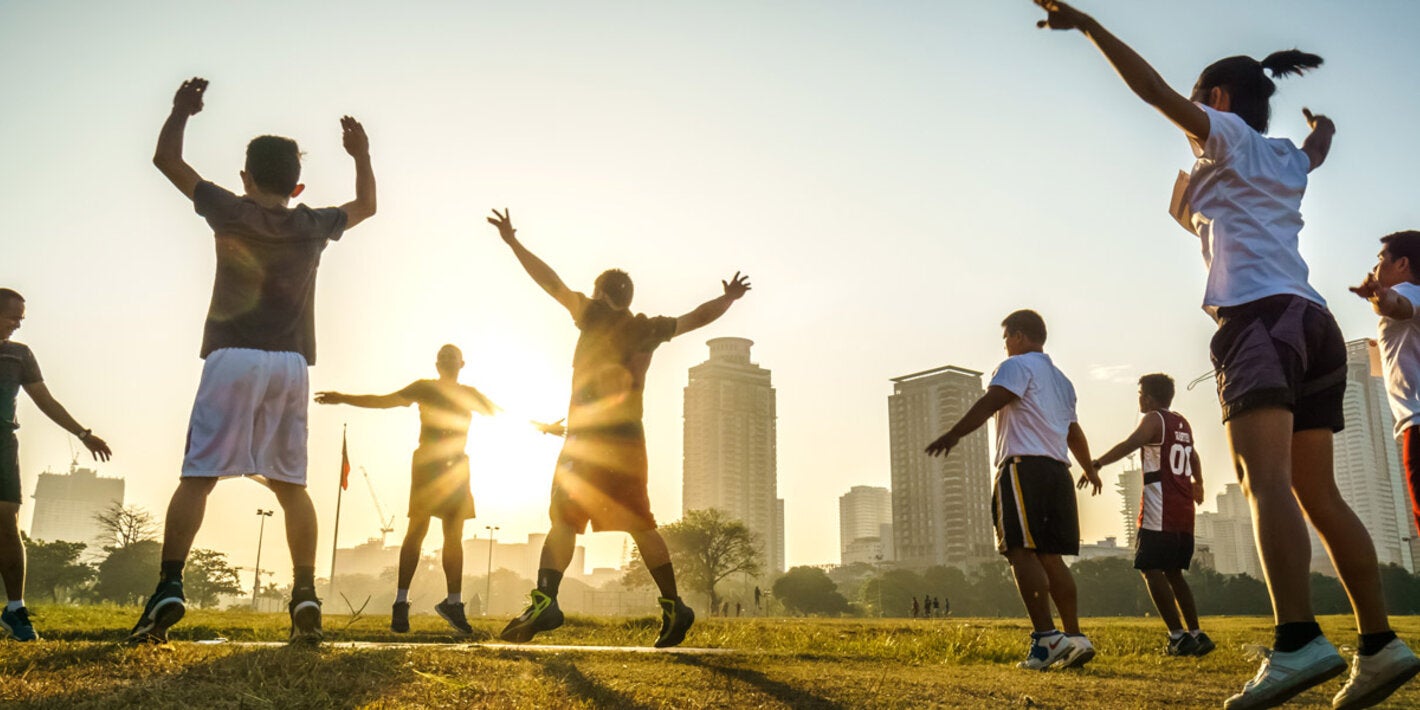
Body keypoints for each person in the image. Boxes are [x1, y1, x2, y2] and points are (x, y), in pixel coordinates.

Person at [1032, 3, 1415, 707]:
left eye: (1198, 105)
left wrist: (1088, 27)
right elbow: (1319, 150)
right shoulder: (1288, 159)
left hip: (1258, 323)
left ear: (1216, 99)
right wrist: (1323, 128)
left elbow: (1150, 92)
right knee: (1318, 493)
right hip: (1314, 322)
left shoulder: (1228, 134)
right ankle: (1381, 643)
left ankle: (1298, 642)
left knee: (1267, 484)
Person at [127, 77, 376, 646]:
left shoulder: (229, 209)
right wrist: (362, 156)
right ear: (299, 184)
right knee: (291, 485)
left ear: (246, 178)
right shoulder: (313, 223)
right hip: (290, 365)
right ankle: (305, 593)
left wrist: (180, 110)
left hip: (231, 358)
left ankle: (169, 585)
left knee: (198, 477)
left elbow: (167, 158)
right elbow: (367, 206)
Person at [485, 208, 749, 648]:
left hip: (585, 442)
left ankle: (546, 600)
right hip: (626, 440)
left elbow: (550, 283)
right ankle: (674, 606)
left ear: (603, 295)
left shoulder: (593, 315)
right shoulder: (647, 328)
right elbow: (697, 317)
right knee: (642, 525)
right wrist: (730, 299)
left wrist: (514, 244)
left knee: (562, 521)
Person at [926, 309, 1101, 671]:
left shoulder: (1016, 366)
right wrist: (1088, 467)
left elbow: (992, 401)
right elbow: (1073, 432)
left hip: (1024, 467)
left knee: (1021, 551)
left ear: (1019, 336)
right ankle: (1074, 637)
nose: (1005, 345)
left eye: (1006, 337)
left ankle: (1046, 640)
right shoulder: (1062, 380)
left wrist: (954, 433)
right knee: (1051, 556)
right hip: (1058, 470)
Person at [316, 344, 498, 635]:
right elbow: (384, 401)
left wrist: (542, 426)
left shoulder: (470, 393)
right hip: (428, 463)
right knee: (417, 529)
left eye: (453, 357)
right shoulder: (424, 388)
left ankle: (453, 603)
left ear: (462, 364)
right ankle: (401, 603)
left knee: (454, 535)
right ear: (437, 364)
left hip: (457, 466)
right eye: (443, 357)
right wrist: (344, 398)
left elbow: (505, 414)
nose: (448, 361)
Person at [0, 288, 113, 641]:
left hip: (3, 441)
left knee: (7, 519)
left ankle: (15, 609)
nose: (19, 323)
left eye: (22, 318)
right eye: (13, 316)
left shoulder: (19, 355)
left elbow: (45, 400)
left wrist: (83, 433)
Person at [1092, 373, 1215, 657]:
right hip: (1183, 511)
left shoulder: (1153, 419)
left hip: (1160, 509)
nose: (1138, 399)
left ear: (1147, 397)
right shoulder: (1181, 422)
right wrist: (1199, 482)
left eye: (1139, 394)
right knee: (1174, 573)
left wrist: (1097, 462)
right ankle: (1196, 633)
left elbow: (1130, 444)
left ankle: (1177, 636)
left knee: (1149, 569)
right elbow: (1193, 455)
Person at [1353, 231, 1420, 541]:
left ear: (1403, 263)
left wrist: (1379, 296)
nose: (1375, 267)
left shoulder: (1409, 291)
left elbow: (1396, 304)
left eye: (1381, 260)